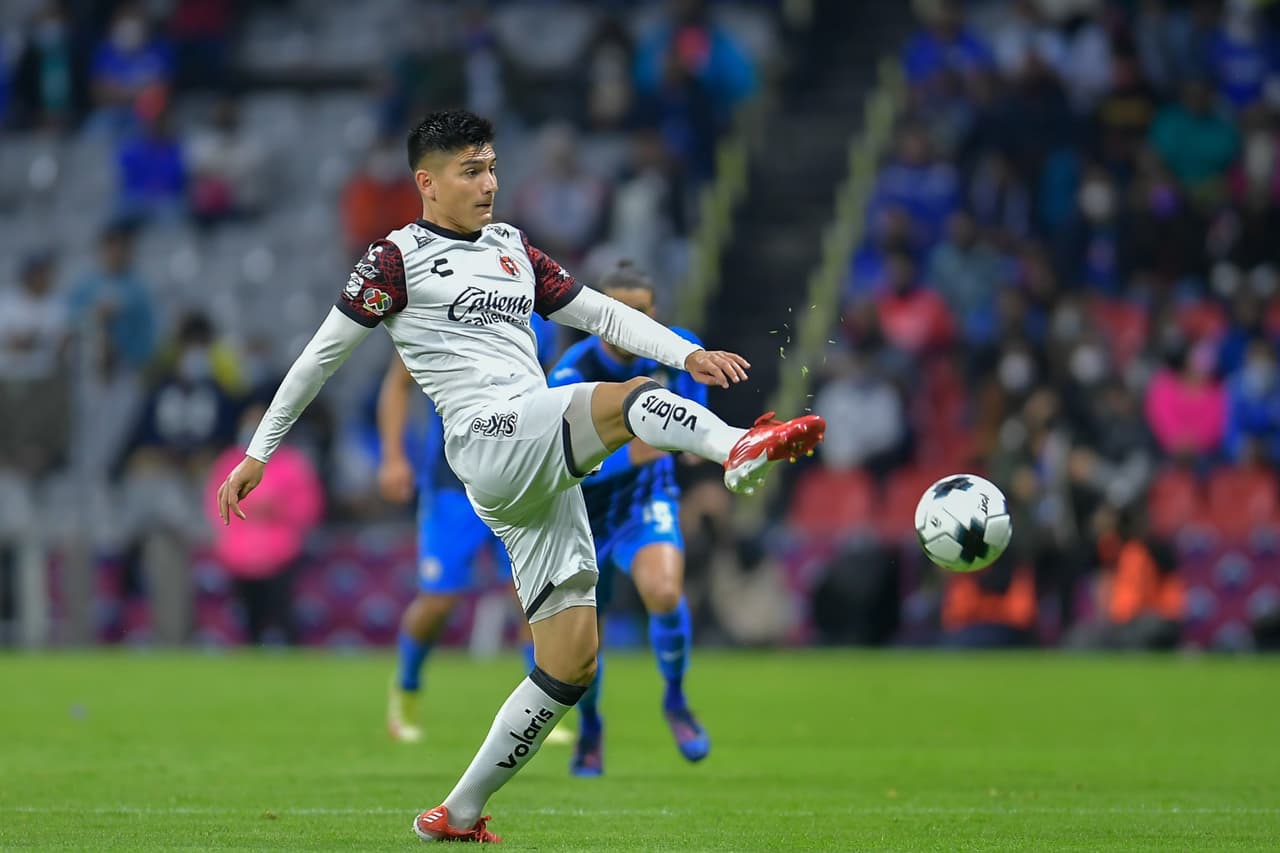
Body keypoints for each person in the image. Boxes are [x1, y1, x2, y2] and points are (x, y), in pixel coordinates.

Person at [216, 109, 824, 844]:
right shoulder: (393, 260)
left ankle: (456, 813)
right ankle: (735, 449)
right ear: (427, 182)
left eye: (493, 166)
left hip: (535, 464)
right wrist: (259, 450)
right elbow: (320, 357)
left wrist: (683, 354)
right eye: (471, 170)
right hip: (486, 437)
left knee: (570, 662)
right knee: (628, 404)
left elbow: (597, 311)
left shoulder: (510, 246)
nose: (489, 183)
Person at [546, 260, 708, 777]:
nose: (630, 326)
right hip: (580, 516)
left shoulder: (680, 350)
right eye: (618, 313)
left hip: (644, 503)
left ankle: (676, 700)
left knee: (663, 592)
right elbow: (559, 465)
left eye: (640, 313)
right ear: (598, 317)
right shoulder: (570, 374)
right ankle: (591, 729)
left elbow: (693, 419)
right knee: (582, 644)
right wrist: (631, 454)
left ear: (653, 314)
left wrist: (699, 442)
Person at [379, 312, 558, 743]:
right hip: (451, 486)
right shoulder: (442, 310)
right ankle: (406, 686)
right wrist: (393, 457)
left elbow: (548, 392)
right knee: (440, 602)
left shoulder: (541, 323)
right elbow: (399, 383)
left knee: (528, 594)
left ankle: (540, 707)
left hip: (516, 480)